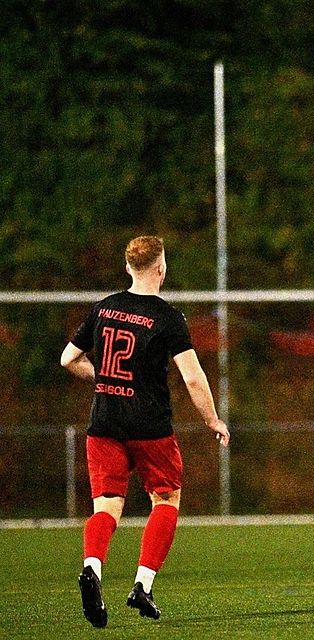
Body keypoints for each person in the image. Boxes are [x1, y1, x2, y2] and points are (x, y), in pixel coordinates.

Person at [60, 236, 230, 628]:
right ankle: (142, 584)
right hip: (150, 427)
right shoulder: (168, 317)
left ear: (127, 269)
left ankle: (92, 568)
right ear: (161, 269)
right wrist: (212, 419)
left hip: (104, 425)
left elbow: (69, 358)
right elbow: (193, 377)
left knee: (106, 508)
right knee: (166, 500)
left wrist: (102, 378)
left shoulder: (104, 308)